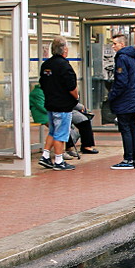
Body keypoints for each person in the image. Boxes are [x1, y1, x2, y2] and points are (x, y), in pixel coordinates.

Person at [38, 36, 78, 171]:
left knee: (53, 131)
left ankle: (45, 155)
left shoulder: (46, 65)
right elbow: (71, 87)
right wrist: (76, 97)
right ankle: (59, 161)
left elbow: (42, 83)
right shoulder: (64, 65)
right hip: (63, 105)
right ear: (64, 50)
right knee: (61, 133)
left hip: (50, 103)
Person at [108, 33, 135, 170]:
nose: (113, 46)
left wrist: (112, 95)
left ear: (122, 44)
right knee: (132, 128)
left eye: (115, 44)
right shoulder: (133, 58)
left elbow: (121, 81)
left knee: (125, 128)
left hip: (124, 100)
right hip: (132, 97)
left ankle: (128, 159)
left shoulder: (121, 58)